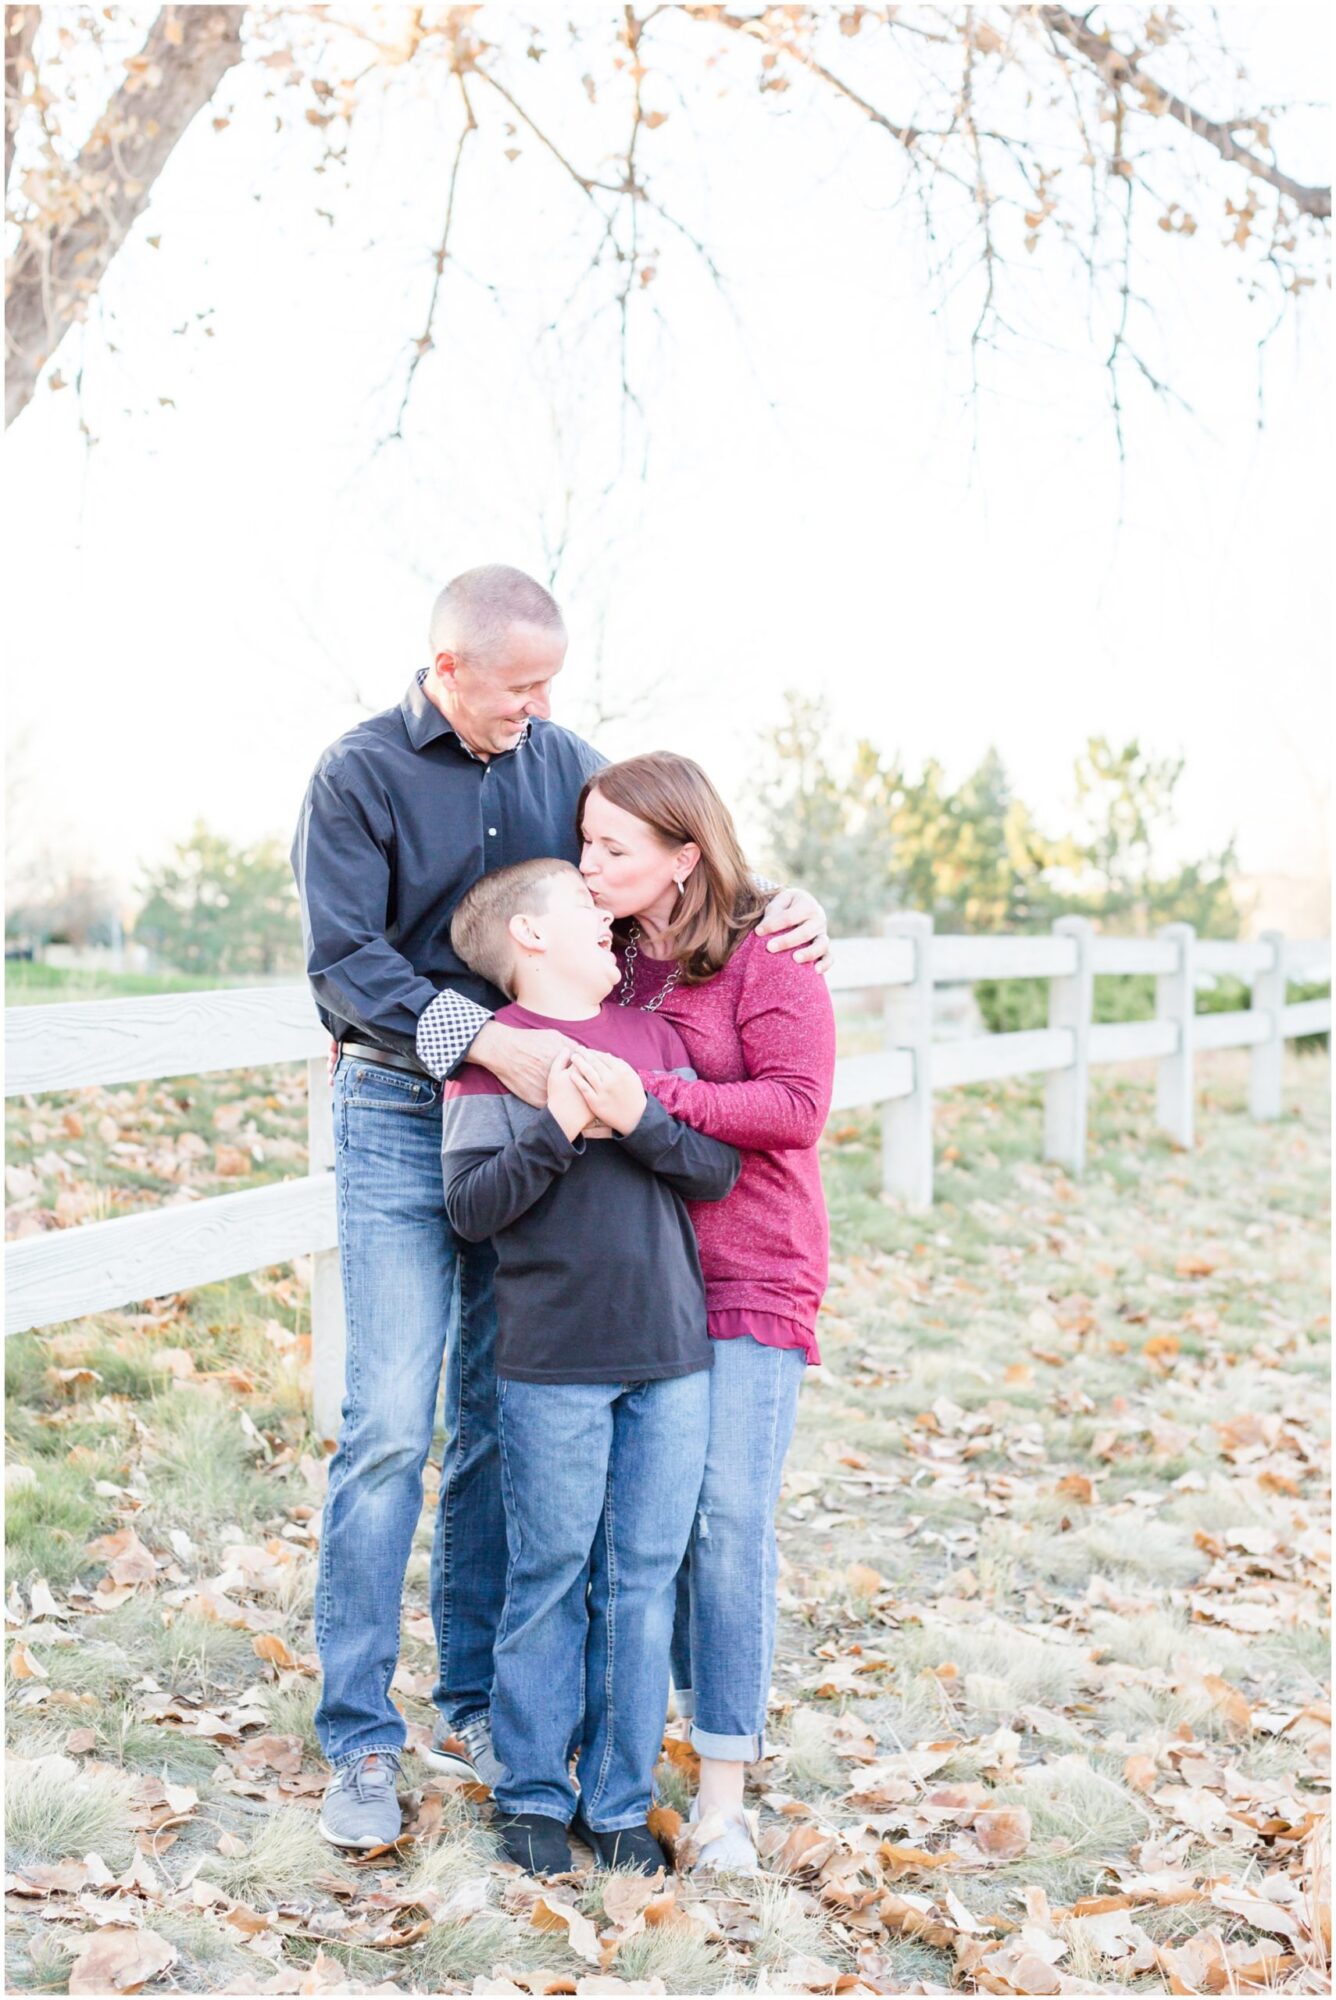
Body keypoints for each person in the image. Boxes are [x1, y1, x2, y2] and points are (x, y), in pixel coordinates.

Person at [291, 564, 829, 1851]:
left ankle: (479, 1700)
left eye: (549, 687)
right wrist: (497, 1041)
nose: (538, 709)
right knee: (385, 1421)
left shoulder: (561, 760)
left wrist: (787, 906)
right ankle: (360, 1735)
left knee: (497, 1409)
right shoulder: (357, 774)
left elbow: (669, 854)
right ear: (447, 670)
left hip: (553, 1118)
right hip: (400, 1107)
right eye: (518, 687)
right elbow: (345, 958)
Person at [441, 857, 739, 1875]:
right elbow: (472, 1207)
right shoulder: (495, 1056)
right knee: (548, 1575)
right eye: (582, 902)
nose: (604, 913)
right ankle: (530, 1791)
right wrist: (561, 1129)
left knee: (642, 1580)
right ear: (528, 935)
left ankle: (617, 1799)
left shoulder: (653, 1035)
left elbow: (714, 1166)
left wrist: (641, 1116)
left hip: (668, 1351)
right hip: (553, 1360)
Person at [572, 752, 836, 1874]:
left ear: (685, 855)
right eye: (583, 843)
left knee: (728, 1518)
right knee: (650, 1528)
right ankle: (638, 1735)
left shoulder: (766, 949)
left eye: (611, 849)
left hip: (752, 1271)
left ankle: (724, 1790)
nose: (588, 865)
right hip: (642, 1275)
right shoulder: (609, 956)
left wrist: (653, 1102)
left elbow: (797, 1104)